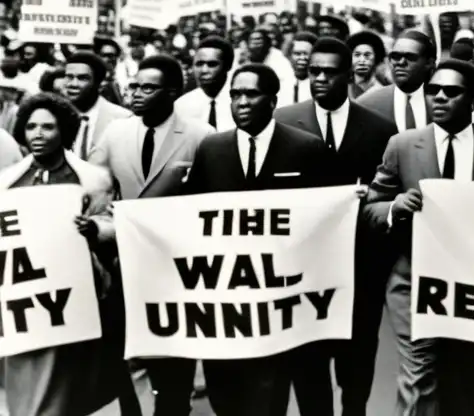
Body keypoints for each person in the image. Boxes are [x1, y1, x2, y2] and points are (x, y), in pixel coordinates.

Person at [364, 59, 474, 416]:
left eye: (451, 92)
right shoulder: (402, 145)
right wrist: (395, 206)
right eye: (433, 91)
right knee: (418, 370)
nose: (439, 98)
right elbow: (370, 210)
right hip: (413, 278)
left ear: (473, 99)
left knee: (470, 373)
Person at [183, 64, 334, 416]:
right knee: (224, 386)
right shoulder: (212, 148)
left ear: (272, 100)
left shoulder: (305, 148)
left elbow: (325, 218)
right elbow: (190, 214)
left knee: (269, 391)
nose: (242, 102)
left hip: (280, 294)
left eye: (251, 94)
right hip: (226, 292)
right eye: (235, 95)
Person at [275, 36, 398, 416]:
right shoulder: (283, 121)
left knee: (358, 355)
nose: (320, 79)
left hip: (359, 262)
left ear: (348, 75)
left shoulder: (379, 129)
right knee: (307, 358)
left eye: (330, 72)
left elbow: (388, 193)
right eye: (314, 72)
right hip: (303, 267)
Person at [91, 54, 214, 416]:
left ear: (173, 92)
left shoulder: (200, 135)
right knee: (121, 351)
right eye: (134, 87)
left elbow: (213, 200)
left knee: (174, 358)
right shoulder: (115, 134)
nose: (137, 94)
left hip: (179, 269)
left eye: (148, 88)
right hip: (124, 262)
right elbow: (97, 194)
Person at [0, 92, 121, 416]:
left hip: (72, 296)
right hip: (23, 299)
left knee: (67, 381)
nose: (38, 134)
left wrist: (93, 228)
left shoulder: (91, 179)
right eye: (31, 127)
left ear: (63, 131)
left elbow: (110, 222)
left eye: (48, 127)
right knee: (22, 375)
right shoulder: (8, 181)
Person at [360, 29, 436, 131]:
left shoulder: (442, 102)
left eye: (410, 57)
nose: (401, 62)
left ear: (429, 63)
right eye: (395, 56)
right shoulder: (367, 105)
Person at [64, 51, 131, 159]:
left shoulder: (122, 119)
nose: (73, 84)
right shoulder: (57, 117)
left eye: (82, 78)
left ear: (99, 84)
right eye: (69, 77)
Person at [174, 36, 234, 130]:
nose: (204, 70)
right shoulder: (182, 105)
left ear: (228, 66)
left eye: (212, 64)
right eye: (199, 64)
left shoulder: (239, 102)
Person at [278, 31, 316, 107]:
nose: (302, 58)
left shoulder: (318, 85)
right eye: (297, 54)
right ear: (289, 55)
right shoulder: (281, 83)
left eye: (307, 54)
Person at [348, 30, 387, 101]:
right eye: (357, 55)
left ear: (376, 58)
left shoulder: (382, 92)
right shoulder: (343, 90)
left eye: (367, 55)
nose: (362, 60)